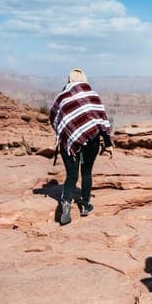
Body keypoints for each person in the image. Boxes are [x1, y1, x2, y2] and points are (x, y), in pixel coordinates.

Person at [49, 68, 113, 226]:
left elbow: (54, 118)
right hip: (92, 141)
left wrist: (68, 134)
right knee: (86, 172)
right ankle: (85, 205)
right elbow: (101, 120)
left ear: (69, 79)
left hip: (68, 142)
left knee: (72, 175)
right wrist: (108, 143)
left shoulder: (62, 97)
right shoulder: (93, 95)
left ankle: (65, 203)